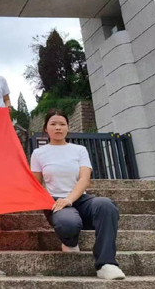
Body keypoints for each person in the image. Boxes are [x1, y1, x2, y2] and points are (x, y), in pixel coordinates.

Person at [30, 109, 125, 281]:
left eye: (62, 124)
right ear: (46, 128)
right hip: (56, 202)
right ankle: (70, 241)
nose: (58, 127)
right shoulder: (38, 153)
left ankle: (106, 263)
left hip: (80, 199)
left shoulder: (79, 150)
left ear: (68, 127)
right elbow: (35, 184)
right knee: (68, 223)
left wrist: (69, 199)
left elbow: (84, 179)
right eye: (53, 124)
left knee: (106, 205)